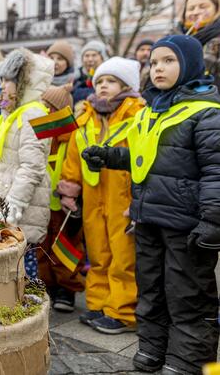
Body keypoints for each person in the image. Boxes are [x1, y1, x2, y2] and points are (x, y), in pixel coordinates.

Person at [82, 35, 220, 374]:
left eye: (168, 61)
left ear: (188, 64)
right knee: (151, 290)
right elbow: (147, 158)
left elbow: (216, 171)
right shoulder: (153, 110)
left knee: (187, 293)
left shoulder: (206, 113)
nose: (158, 68)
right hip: (149, 217)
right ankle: (153, 348)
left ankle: (187, 359)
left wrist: (213, 221)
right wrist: (111, 157)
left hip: (185, 224)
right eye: (154, 62)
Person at [58, 57, 144, 334]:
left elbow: (141, 157)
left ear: (126, 85)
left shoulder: (137, 115)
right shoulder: (85, 118)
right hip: (94, 196)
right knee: (97, 253)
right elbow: (73, 156)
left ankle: (122, 311)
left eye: (112, 81)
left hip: (122, 196)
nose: (104, 86)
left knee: (123, 257)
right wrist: (69, 188)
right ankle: (98, 304)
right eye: (101, 81)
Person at [0, 48, 53, 279]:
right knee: (10, 265)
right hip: (6, 200)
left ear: (25, 83)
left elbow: (32, 166)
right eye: (2, 80)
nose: (2, 85)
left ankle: (30, 306)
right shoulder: (12, 115)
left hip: (22, 206)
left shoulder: (34, 114)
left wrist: (14, 204)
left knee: (22, 268)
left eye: (9, 80)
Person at [36, 86, 85, 313]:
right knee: (42, 247)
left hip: (63, 205)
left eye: (49, 107)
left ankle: (67, 288)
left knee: (65, 247)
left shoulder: (71, 135)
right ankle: (48, 285)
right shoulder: (39, 134)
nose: (44, 110)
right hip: (42, 202)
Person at [176, 0, 220, 87]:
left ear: (217, 9)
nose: (196, 12)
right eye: (191, 8)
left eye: (203, 7)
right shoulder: (172, 37)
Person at [72, 40, 109, 104]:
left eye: (94, 55)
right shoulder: (75, 77)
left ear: (102, 58)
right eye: (87, 56)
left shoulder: (109, 76)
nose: (90, 59)